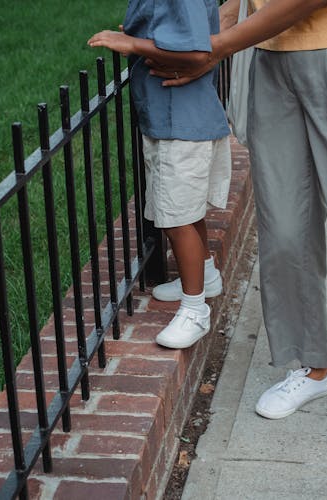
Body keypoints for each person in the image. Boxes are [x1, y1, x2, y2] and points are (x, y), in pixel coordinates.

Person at [148, 0, 327, 439]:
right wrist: (189, 39)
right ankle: (313, 368)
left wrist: (215, 48)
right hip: (273, 65)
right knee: (286, 236)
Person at [87, 0, 231, 350]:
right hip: (172, 117)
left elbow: (198, 51)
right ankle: (205, 275)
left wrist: (133, 44)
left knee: (175, 218)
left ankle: (195, 311)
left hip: (180, 122)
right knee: (184, 212)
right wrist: (139, 36)